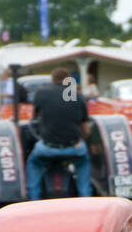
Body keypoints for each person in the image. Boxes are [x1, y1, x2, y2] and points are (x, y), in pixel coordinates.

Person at [26, 67, 92, 200]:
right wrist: (81, 140)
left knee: (33, 163)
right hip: (74, 148)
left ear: (52, 80)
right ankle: (86, 198)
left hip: (47, 149)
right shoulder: (78, 97)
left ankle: (33, 200)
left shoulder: (42, 93)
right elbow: (86, 129)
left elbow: (34, 118)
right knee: (83, 162)